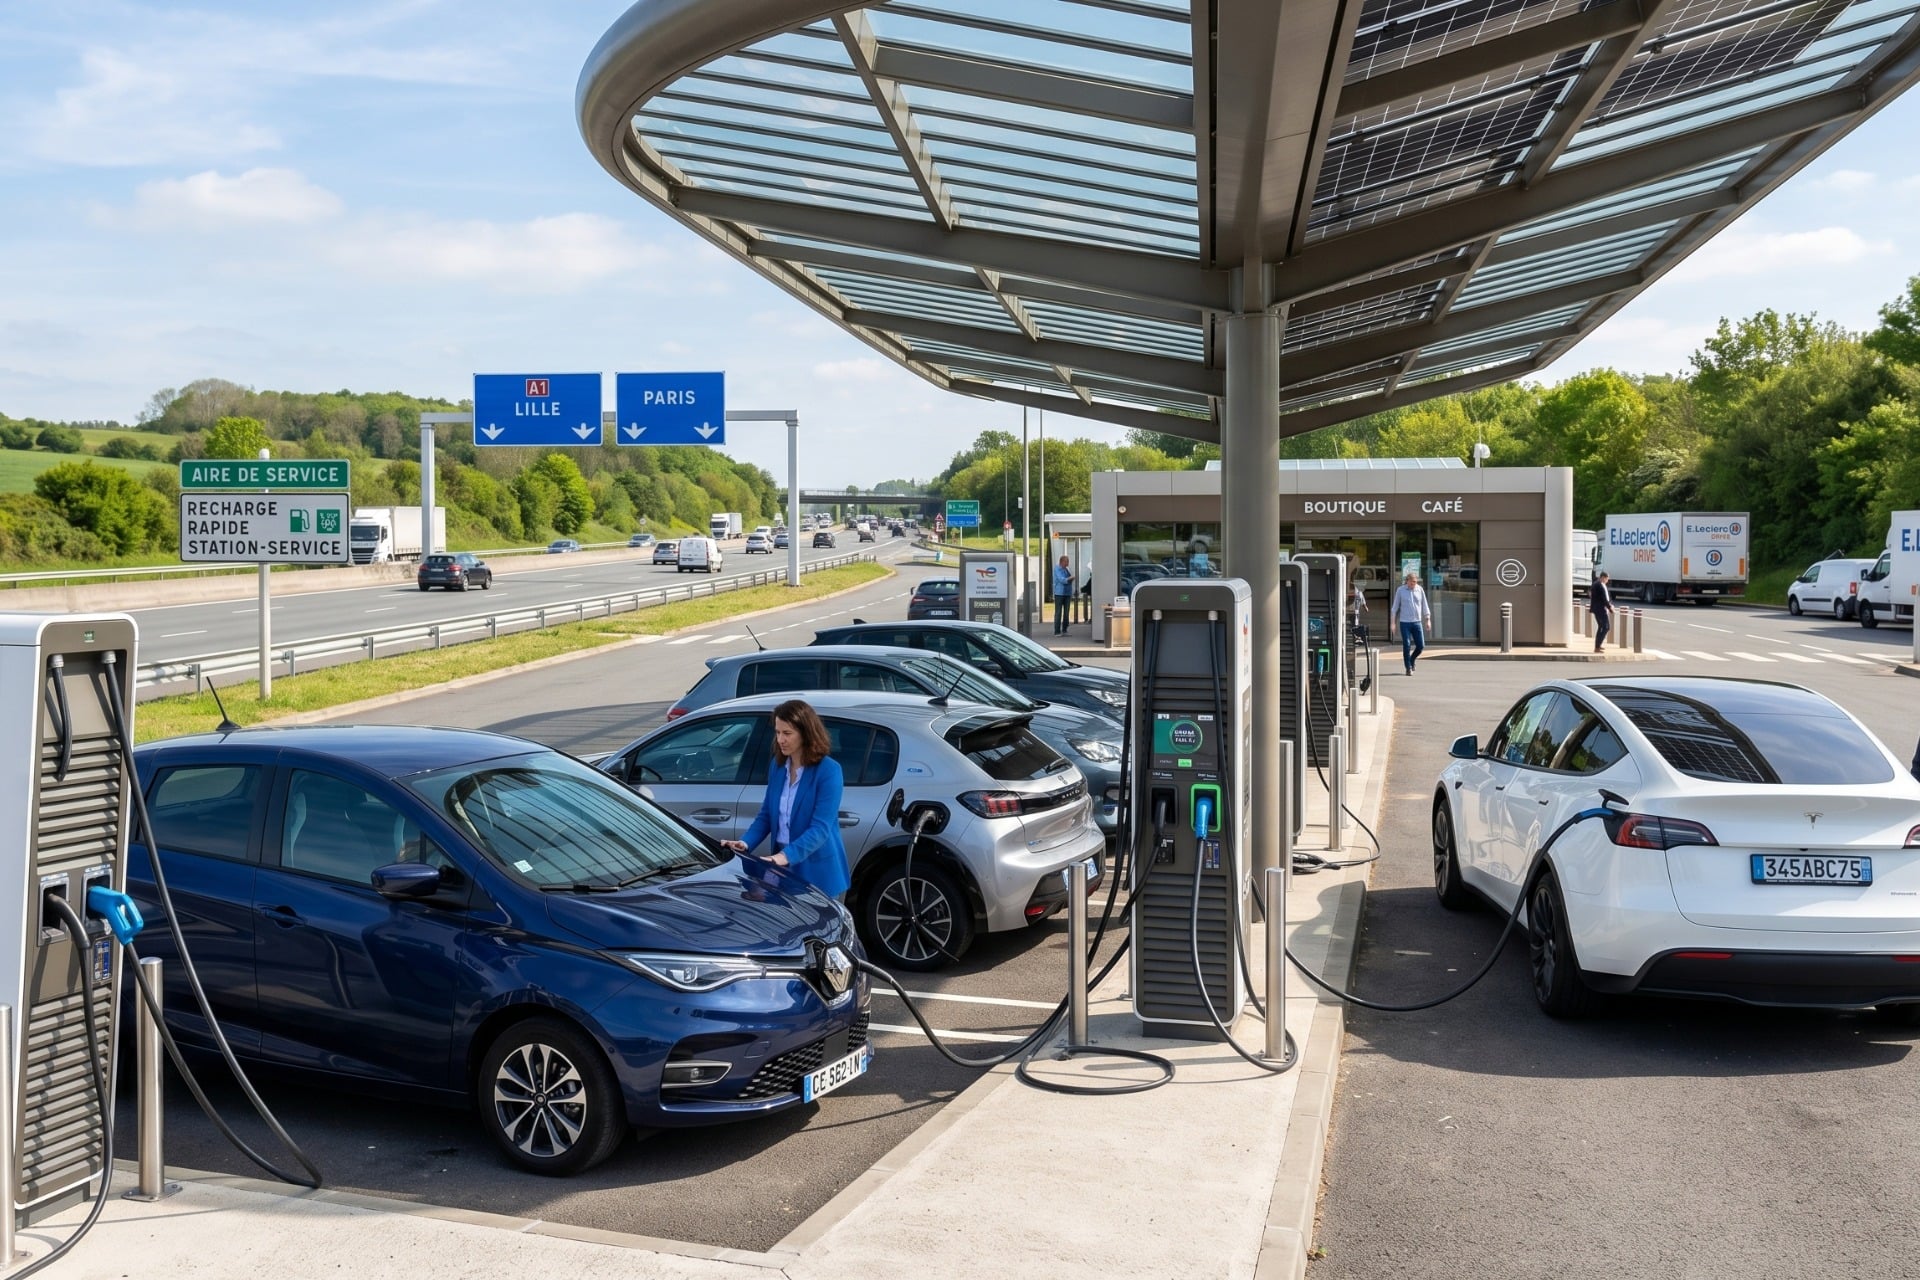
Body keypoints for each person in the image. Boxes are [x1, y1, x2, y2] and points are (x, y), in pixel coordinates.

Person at [720, 699, 851, 900]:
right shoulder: (778, 766)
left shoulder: (829, 771)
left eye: (787, 733)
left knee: (816, 930)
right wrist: (745, 843)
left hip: (817, 871)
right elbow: (766, 815)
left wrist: (783, 857)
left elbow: (820, 829)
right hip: (781, 866)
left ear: (806, 734)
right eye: (778, 732)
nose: (780, 739)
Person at [1389, 570, 1432, 675]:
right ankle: (1408, 668)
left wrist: (1428, 620)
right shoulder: (1400, 590)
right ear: (1407, 581)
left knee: (1421, 646)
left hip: (1417, 622)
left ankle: (1412, 660)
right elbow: (1394, 608)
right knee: (1407, 645)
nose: (1414, 584)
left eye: (1415, 582)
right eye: (1412, 582)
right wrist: (1393, 623)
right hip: (1405, 623)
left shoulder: (1419, 590)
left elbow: (1425, 605)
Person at [1590, 570, 1614, 653]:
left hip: (1600, 609)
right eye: (1607, 578)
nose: (1608, 580)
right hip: (1600, 610)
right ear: (1603, 578)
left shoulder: (1601, 584)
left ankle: (1598, 645)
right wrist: (1610, 608)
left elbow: (1607, 597)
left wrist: (1610, 604)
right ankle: (1597, 647)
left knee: (1601, 627)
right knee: (1606, 627)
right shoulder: (1598, 585)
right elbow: (1603, 598)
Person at [1053, 554, 1074, 635]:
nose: (1068, 563)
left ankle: (1065, 629)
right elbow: (1062, 580)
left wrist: (1070, 579)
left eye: (1068, 561)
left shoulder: (1067, 569)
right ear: (1061, 562)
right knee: (1058, 612)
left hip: (1067, 593)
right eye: (1066, 561)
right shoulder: (1057, 569)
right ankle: (1057, 631)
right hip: (1059, 593)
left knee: (1066, 612)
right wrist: (1070, 578)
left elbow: (1068, 579)